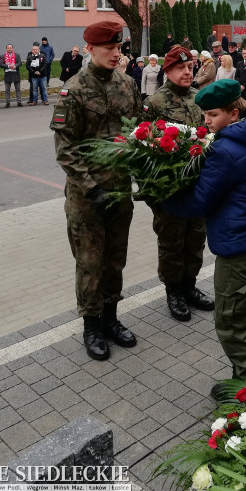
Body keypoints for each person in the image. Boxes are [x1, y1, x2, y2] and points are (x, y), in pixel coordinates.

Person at [163, 80, 246, 392]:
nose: (206, 121)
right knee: (242, 311)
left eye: (212, 115)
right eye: (204, 115)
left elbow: (200, 202)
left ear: (233, 113)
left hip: (238, 247)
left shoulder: (225, 150)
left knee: (230, 321)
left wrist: (161, 197)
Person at [50, 20, 142, 360]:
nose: (117, 54)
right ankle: (91, 326)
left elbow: (137, 132)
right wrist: (92, 189)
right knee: (90, 264)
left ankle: (111, 319)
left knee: (115, 260)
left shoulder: (129, 84)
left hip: (119, 192)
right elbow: (65, 150)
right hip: (87, 199)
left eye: (120, 48)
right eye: (110, 49)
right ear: (90, 48)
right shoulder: (73, 90)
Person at [144, 45, 215, 321]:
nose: (187, 72)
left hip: (197, 186)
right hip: (169, 189)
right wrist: (154, 193)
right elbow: (144, 147)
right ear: (168, 70)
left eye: (190, 67)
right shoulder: (156, 103)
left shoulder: (201, 96)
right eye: (181, 68)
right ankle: (173, 291)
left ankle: (190, 286)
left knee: (196, 238)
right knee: (171, 241)